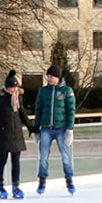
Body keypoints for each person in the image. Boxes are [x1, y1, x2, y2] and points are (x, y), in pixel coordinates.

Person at [0, 70, 36, 199]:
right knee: (2, 161)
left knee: (16, 161)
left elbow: (22, 114)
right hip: (3, 134)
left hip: (16, 134)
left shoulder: (18, 98)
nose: (14, 90)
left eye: (16, 87)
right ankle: (0, 186)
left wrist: (31, 127)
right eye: (12, 87)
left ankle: (16, 186)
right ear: (7, 88)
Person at [33, 64, 76, 195]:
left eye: (51, 76)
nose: (49, 78)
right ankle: (42, 180)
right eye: (48, 76)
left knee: (66, 156)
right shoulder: (43, 91)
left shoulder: (66, 91)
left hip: (61, 129)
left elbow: (71, 110)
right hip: (46, 128)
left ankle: (69, 180)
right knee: (43, 156)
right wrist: (36, 129)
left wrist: (70, 129)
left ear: (58, 77)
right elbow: (38, 110)